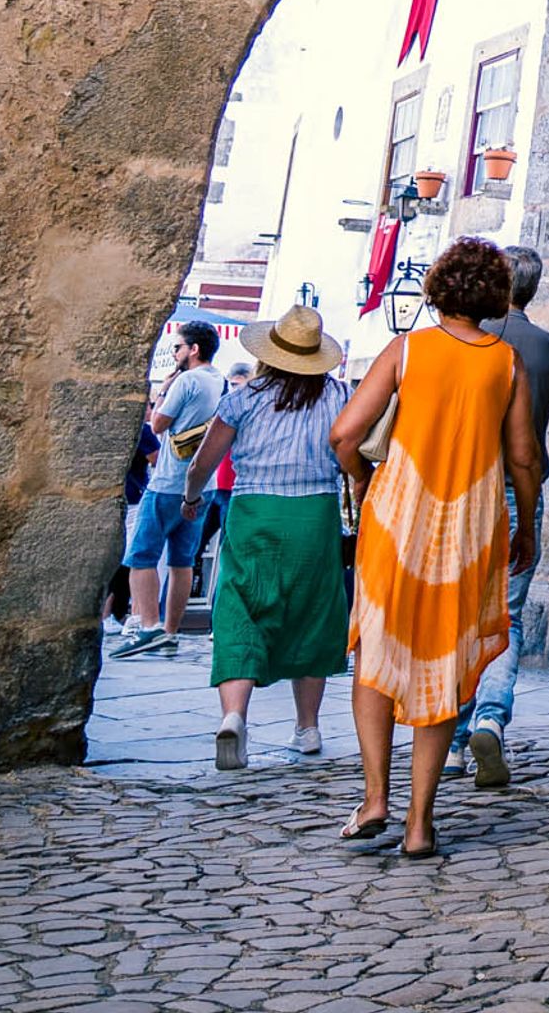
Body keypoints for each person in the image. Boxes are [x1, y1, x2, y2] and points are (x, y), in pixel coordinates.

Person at [331, 237, 539, 859]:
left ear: (438, 289)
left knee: (376, 647)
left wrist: (363, 477)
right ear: (496, 297)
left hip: (399, 515)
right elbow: (524, 457)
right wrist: (525, 524)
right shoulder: (505, 364)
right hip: (471, 526)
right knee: (445, 662)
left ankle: (375, 799)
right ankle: (420, 824)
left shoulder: (408, 349)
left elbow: (345, 432)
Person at [181, 305, 350, 770]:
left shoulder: (244, 397)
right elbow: (353, 451)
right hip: (314, 514)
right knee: (314, 611)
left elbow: (205, 460)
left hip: (253, 511)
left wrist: (192, 497)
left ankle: (235, 716)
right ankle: (308, 727)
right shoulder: (338, 395)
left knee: (241, 606)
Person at [460, 244, 549, 789]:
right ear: (533, 290)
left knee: (459, 613)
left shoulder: (466, 339)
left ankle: (449, 739)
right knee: (506, 615)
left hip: (459, 489)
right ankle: (491, 718)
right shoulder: (547, 346)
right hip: (519, 491)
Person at [114, 320, 223, 657]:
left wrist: (163, 389)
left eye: (178, 346)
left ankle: (148, 626)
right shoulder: (219, 381)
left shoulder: (186, 380)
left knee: (141, 555)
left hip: (168, 481)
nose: (174, 352)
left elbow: (157, 423)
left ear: (193, 349)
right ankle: (171, 631)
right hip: (204, 483)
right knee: (182, 561)